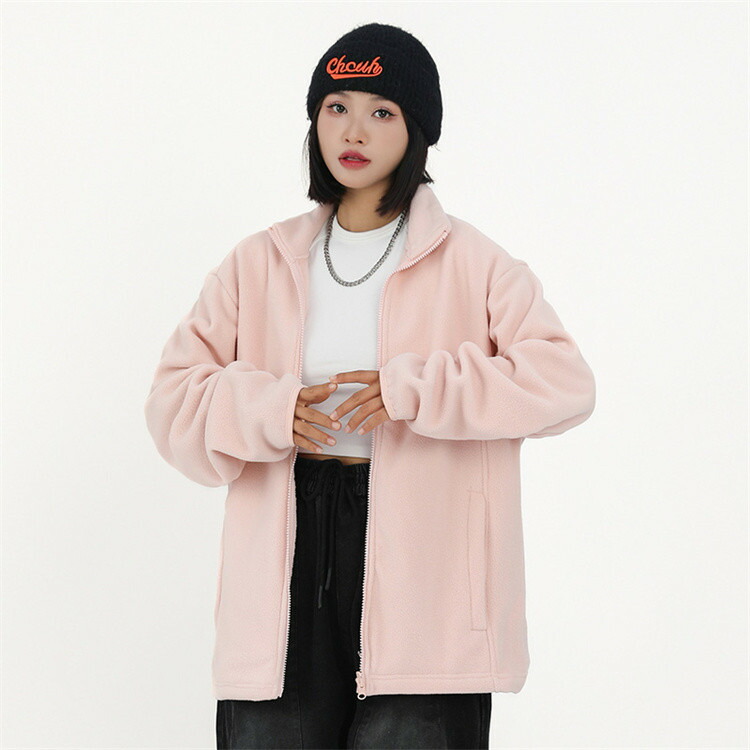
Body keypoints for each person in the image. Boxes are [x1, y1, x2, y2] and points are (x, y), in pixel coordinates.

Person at [144, 22, 596, 750]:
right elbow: (171, 401)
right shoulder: (259, 262)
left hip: (429, 576)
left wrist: (414, 390)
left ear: (417, 130)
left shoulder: (474, 262)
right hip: (285, 549)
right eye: (337, 107)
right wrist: (266, 409)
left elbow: (564, 382)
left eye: (381, 111)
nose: (353, 131)